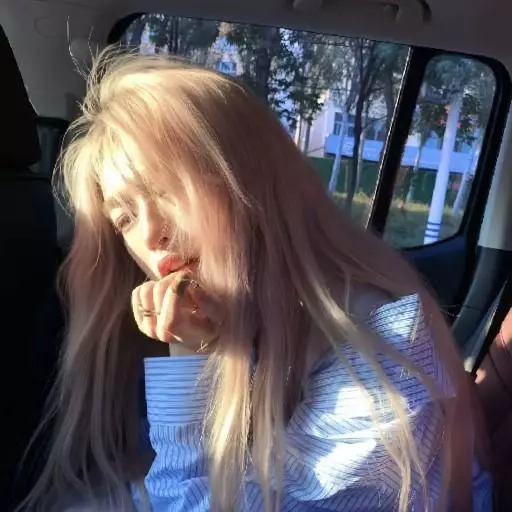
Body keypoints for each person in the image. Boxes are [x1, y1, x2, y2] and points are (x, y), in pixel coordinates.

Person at [22, 50, 492, 512]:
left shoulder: (378, 351)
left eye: (165, 190)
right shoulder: (245, 311)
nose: (149, 234)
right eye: (124, 218)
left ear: (246, 179)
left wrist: (189, 358)